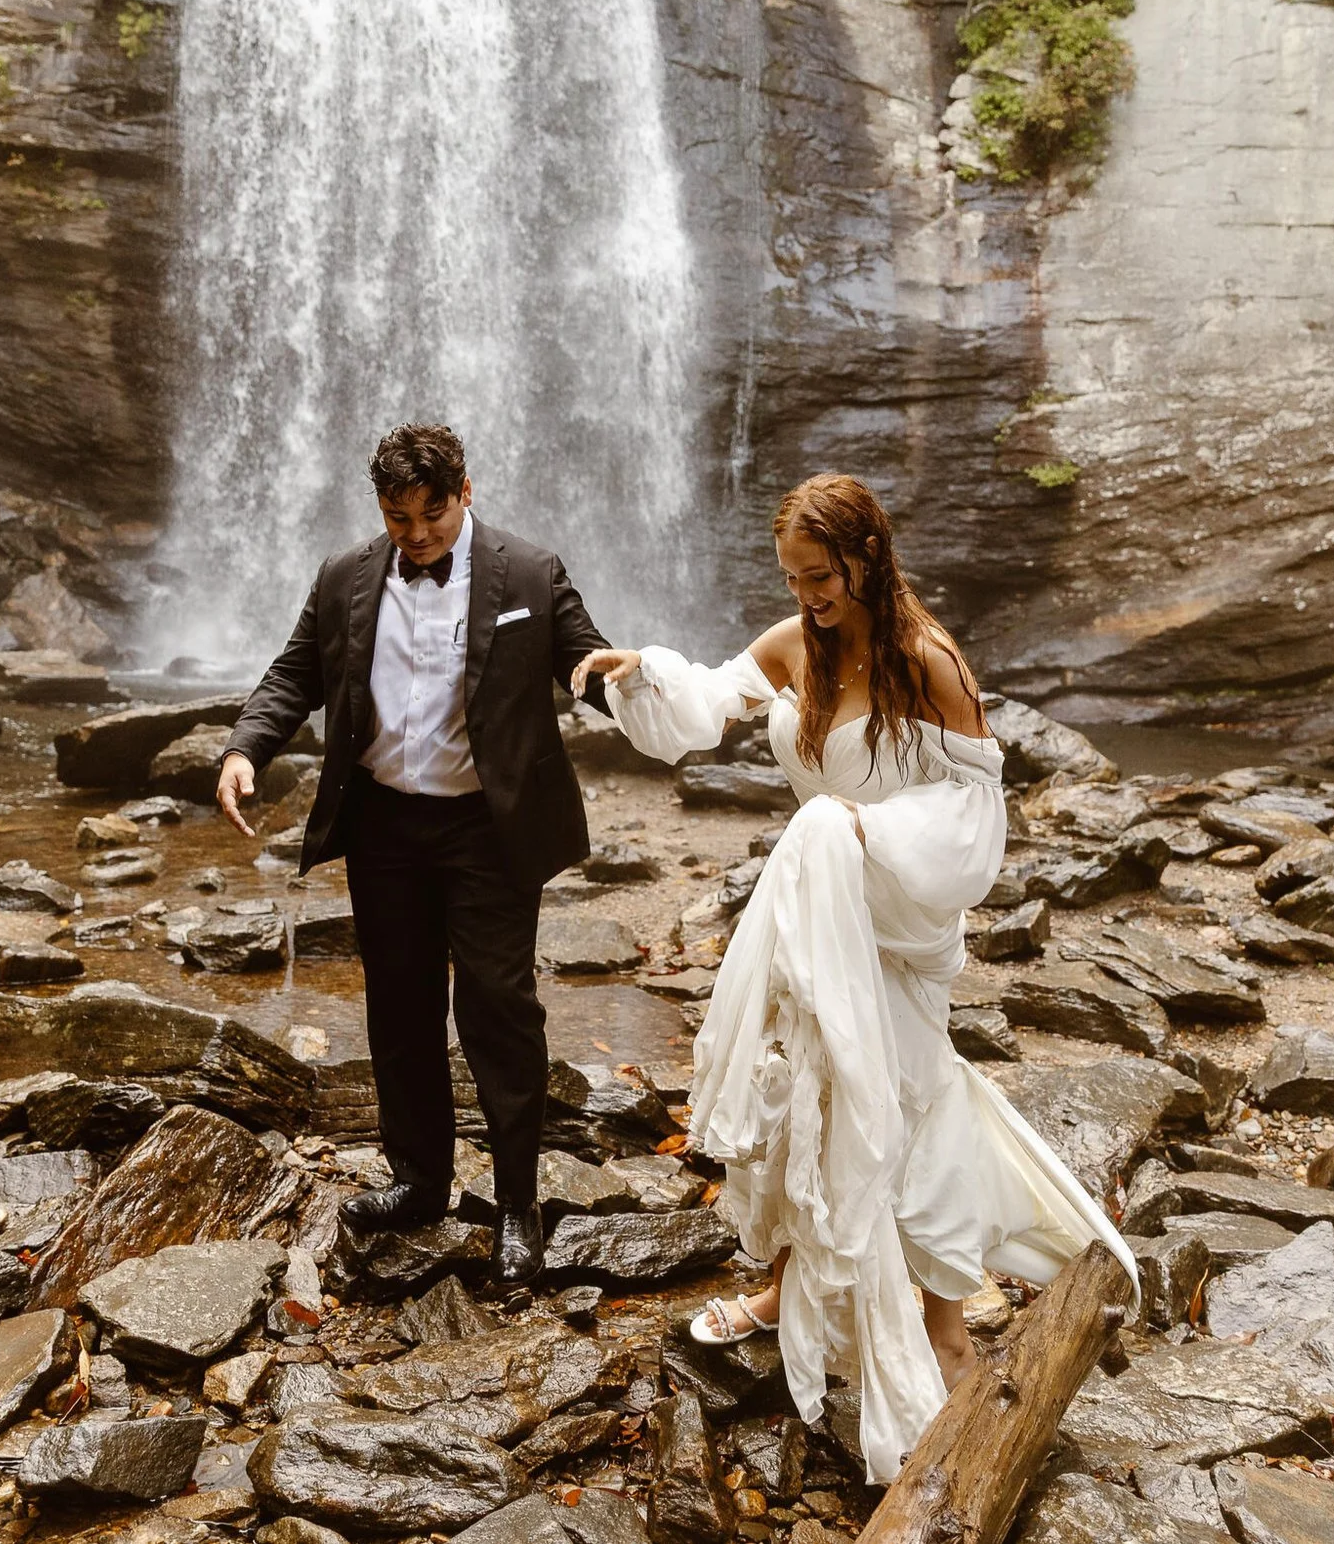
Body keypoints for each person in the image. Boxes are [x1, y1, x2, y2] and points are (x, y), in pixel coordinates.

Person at [570, 473, 1137, 1484]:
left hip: (897, 917)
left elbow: (974, 821)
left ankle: (941, 1317)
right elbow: (706, 702)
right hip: (816, 914)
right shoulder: (795, 642)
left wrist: (855, 832)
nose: (805, 596)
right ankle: (796, 1284)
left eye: (820, 576)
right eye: (791, 578)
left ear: (869, 557)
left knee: (905, 1098)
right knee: (815, 1093)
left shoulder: (931, 662)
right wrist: (643, 674)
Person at [217, 423, 612, 1287]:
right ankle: (420, 1183)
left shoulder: (531, 573)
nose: (418, 534)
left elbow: (588, 662)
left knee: (499, 1010)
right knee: (398, 1010)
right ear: (382, 510)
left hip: (488, 827)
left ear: (465, 494)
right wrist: (246, 748)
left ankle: (516, 1203)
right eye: (400, 519)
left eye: (432, 515)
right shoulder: (345, 577)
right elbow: (294, 674)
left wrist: (655, 693)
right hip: (385, 824)